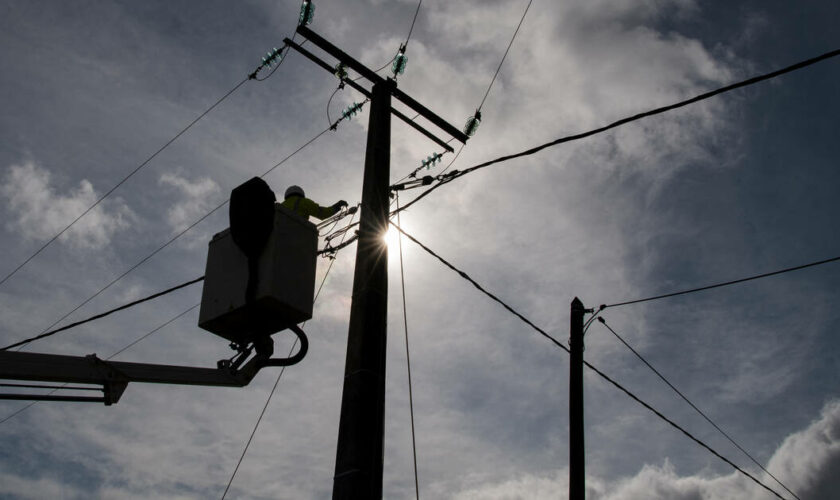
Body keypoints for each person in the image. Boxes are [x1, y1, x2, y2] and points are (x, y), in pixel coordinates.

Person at [280, 185, 348, 221]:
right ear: (301, 193)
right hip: (297, 236)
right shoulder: (303, 202)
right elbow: (322, 213)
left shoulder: (281, 205)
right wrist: (338, 205)